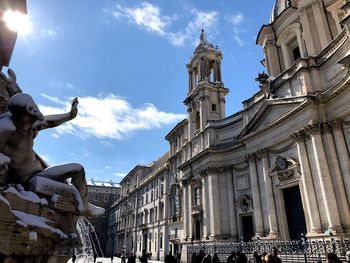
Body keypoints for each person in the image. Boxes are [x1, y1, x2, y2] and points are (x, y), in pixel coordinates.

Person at [0, 93, 103, 215]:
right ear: (20, 116)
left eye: (34, 108)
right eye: (30, 113)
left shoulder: (30, 121)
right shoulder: (7, 127)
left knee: (78, 169)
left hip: (41, 172)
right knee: (71, 190)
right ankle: (78, 202)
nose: (34, 123)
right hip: (30, 181)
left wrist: (70, 115)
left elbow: (49, 122)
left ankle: (85, 206)